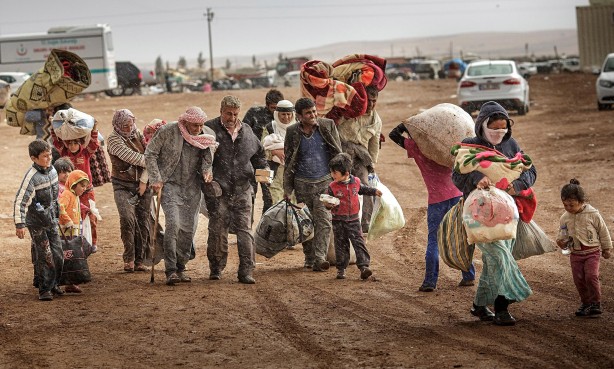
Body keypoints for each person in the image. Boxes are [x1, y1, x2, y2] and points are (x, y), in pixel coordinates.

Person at [452, 101, 536, 326]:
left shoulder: (511, 145)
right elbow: (457, 177)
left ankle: (479, 306)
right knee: (501, 258)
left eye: (503, 129)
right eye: (494, 129)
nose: (499, 133)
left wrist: (517, 186)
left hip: (509, 214)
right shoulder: (469, 147)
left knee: (492, 263)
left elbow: (531, 171)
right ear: (482, 126)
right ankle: (502, 307)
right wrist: (477, 178)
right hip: (478, 216)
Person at [389, 123, 476, 292]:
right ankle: (468, 275)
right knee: (461, 236)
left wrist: (409, 124)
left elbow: (394, 134)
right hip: (457, 195)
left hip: (436, 200)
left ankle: (430, 281)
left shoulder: (417, 148)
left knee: (433, 241)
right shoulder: (448, 146)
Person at [145, 107, 217, 286]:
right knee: (173, 224)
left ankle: (181, 266)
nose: (198, 129)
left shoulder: (207, 134)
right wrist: (155, 178)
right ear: (185, 122)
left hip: (193, 188)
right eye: (194, 125)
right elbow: (150, 153)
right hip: (169, 185)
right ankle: (170, 270)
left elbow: (208, 157)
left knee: (188, 229)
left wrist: (207, 171)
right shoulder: (168, 131)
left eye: (201, 125)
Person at [204, 96, 268, 284]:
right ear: (221, 110)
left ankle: (246, 271)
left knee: (245, 231)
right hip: (218, 190)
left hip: (243, 188)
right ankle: (216, 268)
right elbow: (201, 157)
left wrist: (263, 175)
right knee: (217, 230)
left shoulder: (247, 131)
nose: (232, 118)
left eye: (235, 114)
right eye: (228, 113)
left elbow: (259, 155)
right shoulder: (209, 129)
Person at [284, 97, 342, 272]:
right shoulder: (292, 132)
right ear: (300, 116)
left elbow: (338, 153)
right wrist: (287, 189)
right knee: (306, 224)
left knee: (324, 221)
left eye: (314, 111)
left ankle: (320, 258)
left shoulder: (327, 125)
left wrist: (340, 179)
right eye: (308, 113)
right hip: (302, 185)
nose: (313, 115)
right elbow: (289, 162)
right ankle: (309, 257)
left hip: (325, 183)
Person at [14, 140, 64, 301]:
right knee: (45, 255)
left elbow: (56, 198)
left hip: (51, 220)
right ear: (34, 158)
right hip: (36, 222)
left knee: (58, 255)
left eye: (50, 155)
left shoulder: (54, 171)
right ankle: (44, 289)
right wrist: (20, 224)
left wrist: (58, 214)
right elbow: (20, 201)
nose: (49, 158)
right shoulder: (31, 177)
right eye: (45, 156)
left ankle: (53, 283)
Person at [557, 178, 612, 317]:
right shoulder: (565, 217)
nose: (569, 208)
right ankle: (585, 303)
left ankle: (595, 303)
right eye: (565, 205)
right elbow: (563, 233)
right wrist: (561, 241)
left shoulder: (593, 214)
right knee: (579, 279)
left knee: (591, 276)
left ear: (581, 202)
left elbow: (603, 231)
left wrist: (606, 248)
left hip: (592, 252)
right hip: (575, 254)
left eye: (572, 205)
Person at [107, 109, 152, 273]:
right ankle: (129, 258)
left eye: (130, 124)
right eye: (124, 125)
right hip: (122, 184)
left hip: (143, 184)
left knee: (143, 220)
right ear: (117, 124)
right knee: (127, 219)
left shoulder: (138, 133)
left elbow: (149, 155)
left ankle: (139, 260)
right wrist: (153, 160)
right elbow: (138, 158)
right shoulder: (113, 140)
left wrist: (143, 181)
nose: (128, 127)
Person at [325, 153, 381, 280]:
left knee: (358, 243)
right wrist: (328, 205)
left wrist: (373, 191)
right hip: (338, 220)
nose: (332, 175)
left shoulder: (355, 182)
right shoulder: (332, 186)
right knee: (341, 245)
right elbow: (328, 202)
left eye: (335, 173)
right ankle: (341, 269)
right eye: (332, 172)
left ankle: (364, 267)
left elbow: (362, 189)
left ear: (346, 173)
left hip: (354, 220)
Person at [336, 85, 382, 233]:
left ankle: (365, 222)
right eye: (369, 100)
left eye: (374, 101)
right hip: (342, 152)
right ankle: (338, 218)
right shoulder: (350, 112)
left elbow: (374, 145)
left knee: (365, 186)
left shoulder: (376, 120)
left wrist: (372, 166)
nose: (371, 104)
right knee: (339, 185)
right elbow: (333, 127)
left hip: (361, 156)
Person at [50, 118, 100, 251]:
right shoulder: (64, 153)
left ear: (80, 143)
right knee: (75, 215)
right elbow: (56, 141)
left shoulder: (86, 152)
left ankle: (93, 243)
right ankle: (76, 242)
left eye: (75, 143)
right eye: (70, 143)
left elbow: (94, 144)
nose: (72, 146)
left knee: (91, 215)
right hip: (71, 191)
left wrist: (94, 128)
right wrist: (52, 126)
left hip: (86, 189)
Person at [242, 89, 284, 214]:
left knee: (270, 198)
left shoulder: (285, 118)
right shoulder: (254, 113)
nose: (276, 111)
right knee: (249, 197)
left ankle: (266, 230)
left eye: (279, 108)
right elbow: (243, 133)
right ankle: (246, 228)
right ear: (267, 105)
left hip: (270, 165)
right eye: (273, 108)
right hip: (251, 162)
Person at [58, 169, 90, 293]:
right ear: (73, 184)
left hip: (72, 233)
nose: (84, 189)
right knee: (67, 257)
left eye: (85, 186)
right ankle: (62, 281)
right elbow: (60, 207)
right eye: (82, 186)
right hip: (66, 234)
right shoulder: (67, 194)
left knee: (71, 258)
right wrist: (67, 220)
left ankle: (70, 283)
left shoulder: (75, 195)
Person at [262, 99, 296, 205]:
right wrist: (274, 152)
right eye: (283, 114)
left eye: (289, 114)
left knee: (294, 207)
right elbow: (261, 151)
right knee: (277, 205)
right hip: (275, 174)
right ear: (277, 114)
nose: (286, 117)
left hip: (294, 175)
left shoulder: (298, 128)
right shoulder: (270, 128)